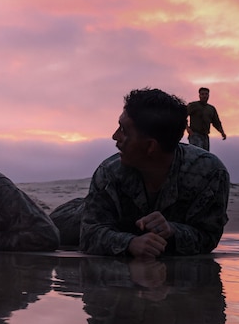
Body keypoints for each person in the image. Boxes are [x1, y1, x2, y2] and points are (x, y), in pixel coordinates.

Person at [79, 88, 230, 257]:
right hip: (80, 214)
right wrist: (130, 243)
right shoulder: (109, 173)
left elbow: (209, 236)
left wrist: (172, 230)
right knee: (58, 230)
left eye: (124, 130)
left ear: (150, 146)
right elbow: (88, 234)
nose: (115, 136)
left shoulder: (209, 174)